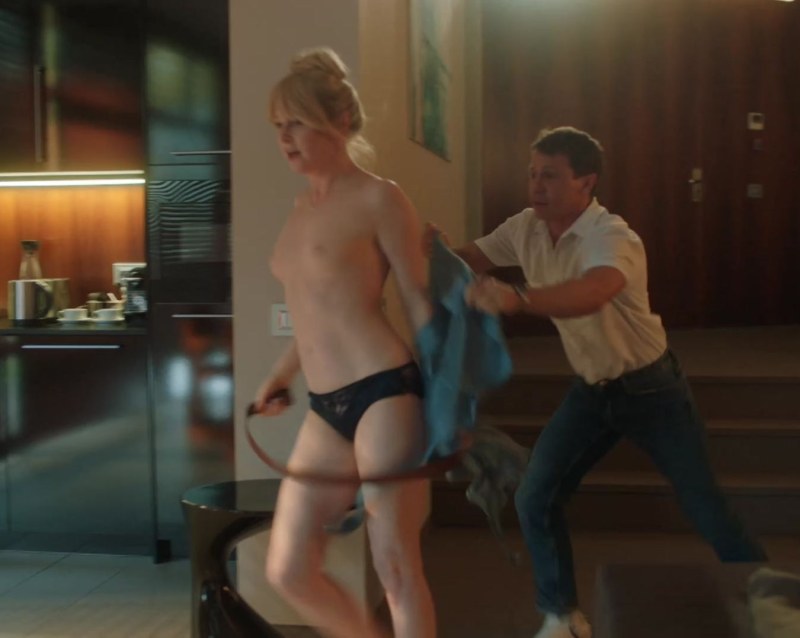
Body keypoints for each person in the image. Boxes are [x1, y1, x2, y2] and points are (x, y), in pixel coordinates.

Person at [433, 126, 767, 638]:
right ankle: (562, 616)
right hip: (592, 390)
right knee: (535, 495)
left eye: (550, 176)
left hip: (652, 389)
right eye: (532, 174)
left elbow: (595, 290)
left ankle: (775, 607)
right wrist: (424, 247)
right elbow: (467, 258)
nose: (536, 185)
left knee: (704, 506)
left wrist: (517, 299)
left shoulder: (612, 236)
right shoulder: (525, 227)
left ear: (586, 183)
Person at [252, 48, 435, 638]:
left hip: (386, 392)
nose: (284, 137)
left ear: (341, 122)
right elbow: (317, 313)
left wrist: (448, 399)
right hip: (325, 406)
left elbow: (418, 302)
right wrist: (281, 373)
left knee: (395, 565)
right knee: (287, 569)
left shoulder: (380, 197)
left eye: (297, 122)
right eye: (278, 125)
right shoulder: (299, 209)